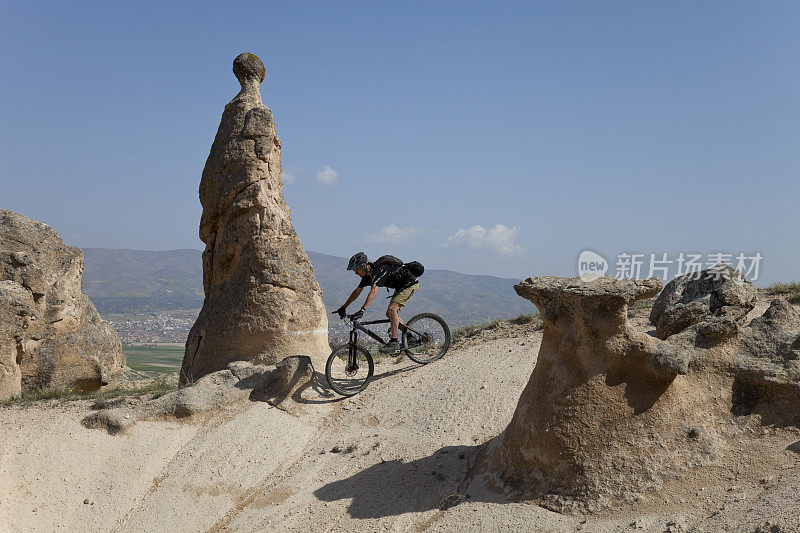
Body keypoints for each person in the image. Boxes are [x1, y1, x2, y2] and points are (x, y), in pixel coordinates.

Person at [333, 252, 419, 354]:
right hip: (400, 287)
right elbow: (357, 292)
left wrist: (362, 309)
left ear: (364, 265)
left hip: (410, 284)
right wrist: (344, 307)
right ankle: (410, 338)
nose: (355, 272)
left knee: (392, 310)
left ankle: (394, 343)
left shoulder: (379, 270)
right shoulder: (366, 277)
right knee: (389, 314)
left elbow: (373, 292)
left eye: (356, 269)